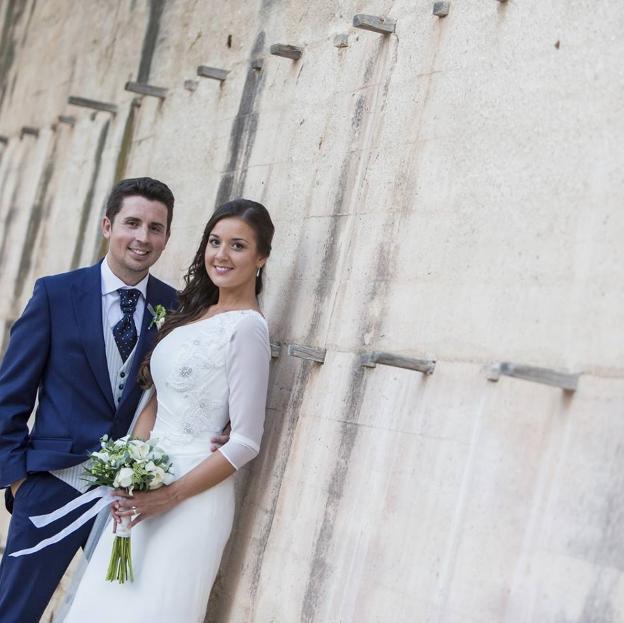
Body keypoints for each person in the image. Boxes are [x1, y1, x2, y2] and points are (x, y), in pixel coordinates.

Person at [63, 199, 274, 622]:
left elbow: (247, 441)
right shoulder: (193, 314)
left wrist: (167, 496)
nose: (220, 254)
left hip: (191, 497)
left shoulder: (248, 328)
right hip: (141, 488)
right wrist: (127, 469)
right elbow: (155, 401)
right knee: (104, 607)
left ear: (261, 258)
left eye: (237, 246)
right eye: (215, 242)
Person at [0, 177, 180, 622]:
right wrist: (20, 482)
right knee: (14, 612)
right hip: (50, 486)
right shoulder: (55, 294)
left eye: (155, 228)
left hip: (128, 502)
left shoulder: (175, 309)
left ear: (166, 238)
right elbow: (9, 395)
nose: (142, 237)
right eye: (132, 223)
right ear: (107, 225)